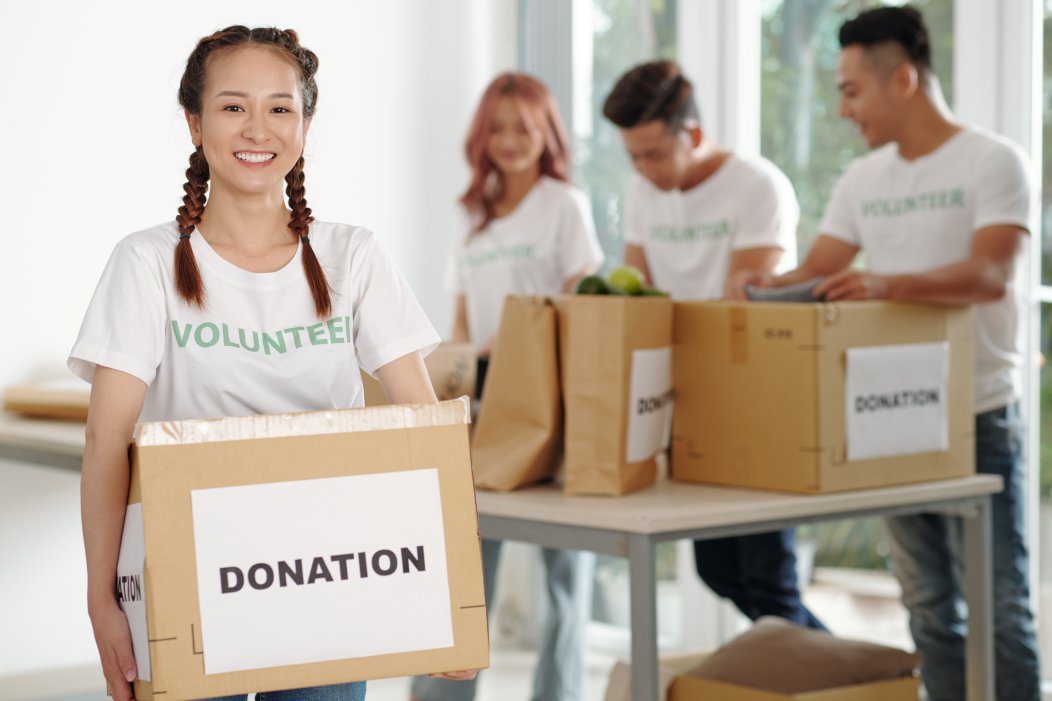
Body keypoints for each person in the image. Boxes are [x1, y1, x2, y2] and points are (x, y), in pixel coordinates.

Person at [69, 26, 475, 701]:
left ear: (306, 125)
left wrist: (445, 593)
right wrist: (102, 598)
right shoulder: (146, 263)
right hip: (189, 579)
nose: (258, 127)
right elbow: (105, 440)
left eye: (280, 107)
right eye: (232, 107)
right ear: (195, 123)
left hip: (335, 577)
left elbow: (422, 430)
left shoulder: (355, 256)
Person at [730, 6, 1040, 700]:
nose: (843, 109)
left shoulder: (993, 161)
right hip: (886, 416)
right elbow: (816, 273)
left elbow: (990, 274)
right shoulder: (862, 180)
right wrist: (759, 281)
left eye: (850, 90)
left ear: (901, 78)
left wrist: (883, 282)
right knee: (929, 606)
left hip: (977, 414)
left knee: (1001, 605)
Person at [602, 60, 825, 630]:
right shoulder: (641, 191)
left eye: (653, 154)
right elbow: (638, 295)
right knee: (717, 571)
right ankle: (851, 673)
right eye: (632, 156)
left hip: (755, 402)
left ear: (693, 135)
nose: (642, 169)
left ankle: (848, 680)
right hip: (686, 403)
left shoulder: (757, 186)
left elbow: (741, 310)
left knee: (768, 584)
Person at [410, 73, 603, 701]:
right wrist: (459, 376)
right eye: (498, 126)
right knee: (464, 567)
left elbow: (583, 305)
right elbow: (462, 321)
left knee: (562, 583)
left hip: (554, 403)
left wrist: (517, 345)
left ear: (547, 132)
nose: (511, 140)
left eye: (525, 126)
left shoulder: (563, 205)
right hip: (486, 403)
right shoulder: (470, 216)